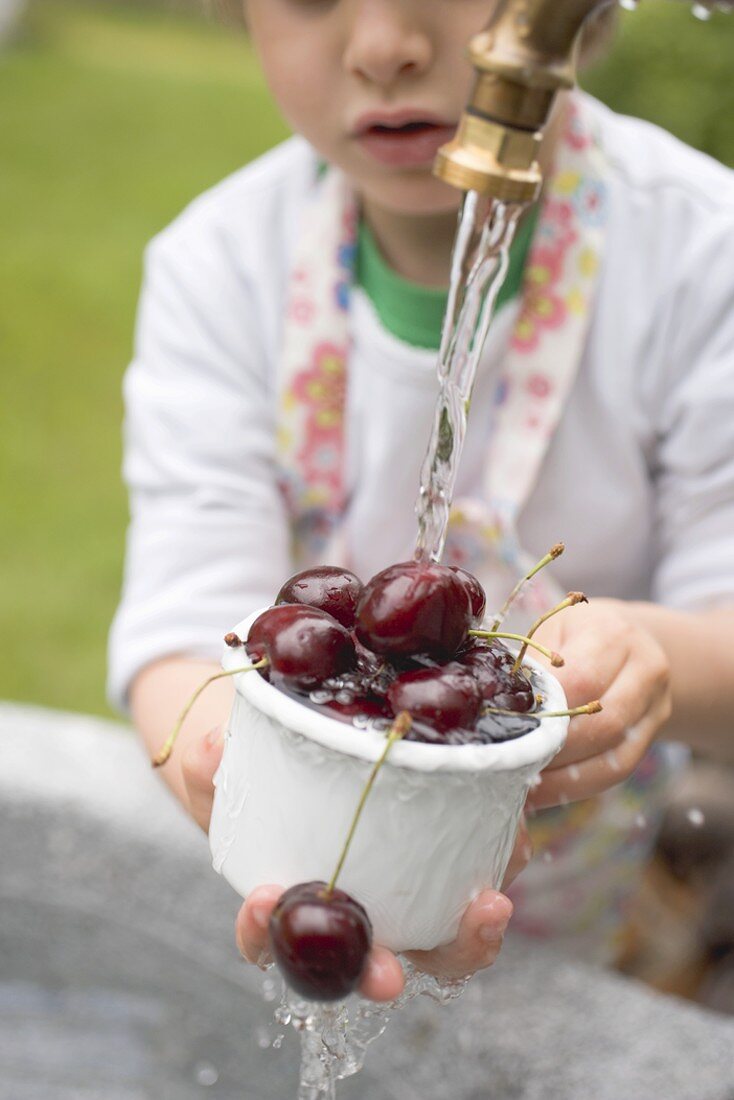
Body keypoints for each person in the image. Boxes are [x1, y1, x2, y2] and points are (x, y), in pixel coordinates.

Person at [109, 0, 734, 1001]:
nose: (383, 46)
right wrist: (214, 757)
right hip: (315, 854)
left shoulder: (701, 253)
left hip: (607, 901)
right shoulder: (220, 266)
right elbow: (180, 619)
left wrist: (653, 657)